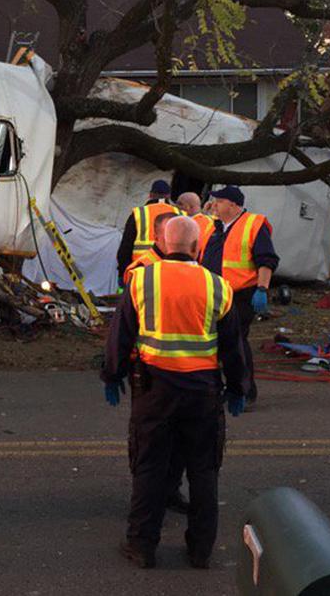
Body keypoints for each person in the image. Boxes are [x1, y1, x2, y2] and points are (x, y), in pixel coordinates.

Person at [101, 215, 247, 570]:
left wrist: (112, 374)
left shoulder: (140, 280)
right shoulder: (218, 286)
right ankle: (200, 551)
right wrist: (239, 386)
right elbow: (233, 346)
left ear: (164, 245)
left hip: (154, 390)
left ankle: (142, 546)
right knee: (203, 470)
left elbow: (120, 335)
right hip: (203, 393)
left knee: (149, 467)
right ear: (197, 248)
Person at [200, 186, 277, 404]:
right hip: (213, 294)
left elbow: (266, 259)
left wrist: (262, 289)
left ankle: (244, 391)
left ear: (233, 205)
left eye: (219, 202)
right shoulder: (214, 227)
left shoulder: (253, 224)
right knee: (215, 343)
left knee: (236, 341)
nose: (214, 205)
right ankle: (221, 387)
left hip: (241, 294)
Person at [116, 179, 182, 278]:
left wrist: (122, 272)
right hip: (170, 273)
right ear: (168, 195)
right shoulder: (181, 215)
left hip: (139, 270)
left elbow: (126, 246)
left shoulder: (139, 213)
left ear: (151, 194)